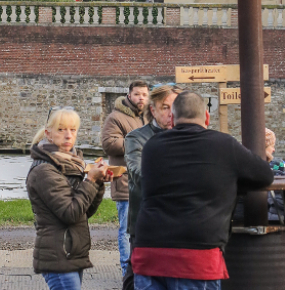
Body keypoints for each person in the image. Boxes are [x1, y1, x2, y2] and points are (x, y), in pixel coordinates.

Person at [132, 91, 274, 290]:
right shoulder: (225, 145)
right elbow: (264, 176)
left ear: (172, 118)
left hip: (149, 252)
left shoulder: (152, 147)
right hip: (196, 256)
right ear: (206, 117)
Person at [27, 108, 113, 290]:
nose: (68, 135)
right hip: (58, 254)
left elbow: (84, 211)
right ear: (48, 134)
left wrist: (97, 183)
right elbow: (70, 213)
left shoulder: (72, 165)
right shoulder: (44, 170)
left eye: (72, 130)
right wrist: (90, 180)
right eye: (61, 129)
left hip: (71, 253)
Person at [122, 84, 183, 290]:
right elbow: (138, 175)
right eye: (165, 107)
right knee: (136, 279)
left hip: (182, 223)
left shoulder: (190, 138)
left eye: (176, 107)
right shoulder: (137, 138)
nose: (171, 114)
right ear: (153, 110)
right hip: (146, 223)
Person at [101, 81, 148, 276]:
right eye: (137, 94)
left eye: (144, 95)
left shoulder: (147, 118)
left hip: (146, 183)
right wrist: (139, 142)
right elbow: (109, 144)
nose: (141, 98)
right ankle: (125, 272)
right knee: (126, 230)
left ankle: (141, 269)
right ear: (129, 96)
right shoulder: (115, 118)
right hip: (125, 182)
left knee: (144, 229)